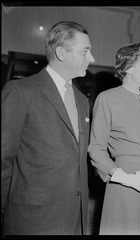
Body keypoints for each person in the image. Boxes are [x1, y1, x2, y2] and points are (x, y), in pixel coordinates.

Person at [1, 21, 95, 235]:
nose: (92, 59)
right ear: (61, 52)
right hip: (31, 221)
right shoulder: (21, 92)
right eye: (85, 51)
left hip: (75, 220)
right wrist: (15, 206)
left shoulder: (82, 100)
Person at [88, 41, 140, 235]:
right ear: (128, 67)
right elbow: (96, 149)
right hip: (124, 182)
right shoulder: (107, 99)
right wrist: (122, 177)